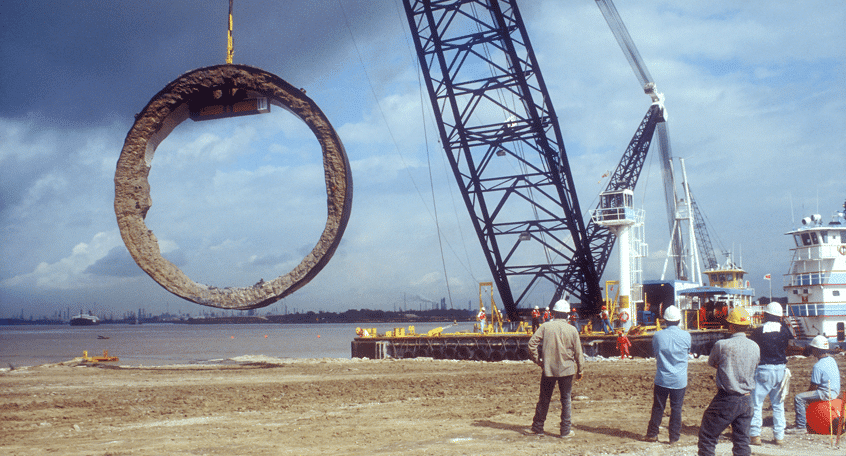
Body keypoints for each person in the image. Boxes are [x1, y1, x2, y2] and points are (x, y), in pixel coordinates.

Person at [697, 307, 759, 456]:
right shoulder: (755, 346)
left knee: (707, 435)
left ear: (731, 326)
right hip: (747, 399)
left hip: (727, 397)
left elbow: (712, 362)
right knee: (742, 441)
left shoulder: (722, 345)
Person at [527, 298, 584, 438]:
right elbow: (578, 352)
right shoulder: (572, 330)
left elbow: (531, 344)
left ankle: (537, 428)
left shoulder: (545, 327)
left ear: (553, 313)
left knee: (544, 399)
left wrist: (538, 361)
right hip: (567, 370)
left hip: (549, 369)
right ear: (568, 314)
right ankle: (565, 431)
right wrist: (580, 370)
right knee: (566, 400)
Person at [644, 305, 691, 444]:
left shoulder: (658, 335)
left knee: (658, 407)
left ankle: (652, 434)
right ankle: (674, 438)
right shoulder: (686, 335)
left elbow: (655, 352)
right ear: (679, 320)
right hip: (679, 380)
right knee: (676, 408)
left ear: (664, 320)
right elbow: (687, 351)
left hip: (662, 378)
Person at [748, 302, 793, 445]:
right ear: (779, 316)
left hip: (763, 369)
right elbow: (788, 346)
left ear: (766, 315)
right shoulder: (785, 331)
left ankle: (755, 435)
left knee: (756, 404)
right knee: (778, 405)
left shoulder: (758, 331)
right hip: (780, 369)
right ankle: (779, 436)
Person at [787, 335, 841, 434]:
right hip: (835, 391)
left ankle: (801, 427)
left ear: (816, 349)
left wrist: (807, 396)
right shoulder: (831, 360)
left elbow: (813, 386)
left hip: (826, 393)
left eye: (813, 348)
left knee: (799, 398)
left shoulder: (818, 366)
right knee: (806, 397)